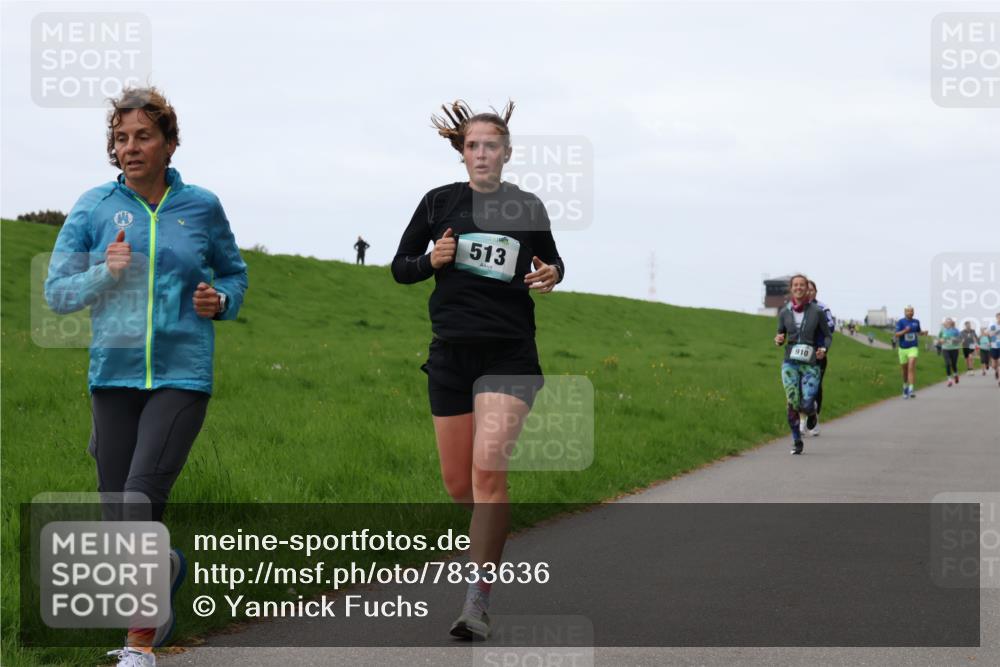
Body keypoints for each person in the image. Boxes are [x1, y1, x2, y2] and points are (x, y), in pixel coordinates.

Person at [44, 87, 248, 667]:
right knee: (118, 520)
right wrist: (101, 276)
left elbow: (234, 272)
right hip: (114, 374)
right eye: (121, 138)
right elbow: (56, 292)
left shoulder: (202, 206)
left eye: (143, 136)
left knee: (139, 500)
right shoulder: (93, 207)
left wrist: (221, 300)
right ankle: (168, 570)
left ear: (169, 144)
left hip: (182, 373)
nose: (130, 148)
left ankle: (138, 646)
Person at [391, 99, 564, 639]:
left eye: (492, 145)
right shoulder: (438, 202)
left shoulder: (527, 207)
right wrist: (431, 262)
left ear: (507, 153)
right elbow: (401, 268)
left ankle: (477, 600)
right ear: (462, 153)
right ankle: (492, 532)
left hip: (509, 354)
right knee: (458, 486)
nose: (482, 153)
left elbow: (552, 262)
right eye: (473, 145)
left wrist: (552, 272)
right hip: (450, 355)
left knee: (489, 470)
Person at [775, 275, 831, 455]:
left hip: (810, 364)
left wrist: (823, 348)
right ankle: (796, 441)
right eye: (795, 285)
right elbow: (780, 334)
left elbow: (827, 335)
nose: (799, 288)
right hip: (790, 362)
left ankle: (812, 413)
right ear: (791, 289)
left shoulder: (817, 311)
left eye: (802, 285)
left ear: (807, 289)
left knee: (806, 403)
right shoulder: (784, 312)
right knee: (792, 401)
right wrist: (778, 339)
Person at [804, 280, 834, 436]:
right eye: (805, 289)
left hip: (818, 351)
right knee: (800, 385)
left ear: (816, 292)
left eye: (811, 290)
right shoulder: (796, 308)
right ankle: (803, 419)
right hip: (801, 352)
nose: (808, 292)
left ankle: (814, 419)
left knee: (815, 385)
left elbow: (830, 326)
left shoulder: (822, 308)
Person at [893, 306, 926, 399]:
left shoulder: (916, 322)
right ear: (905, 312)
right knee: (904, 370)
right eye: (908, 311)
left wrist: (923, 333)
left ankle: (911, 389)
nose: (910, 313)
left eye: (912, 311)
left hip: (913, 347)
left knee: (911, 366)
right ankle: (905, 386)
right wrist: (905, 331)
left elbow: (919, 332)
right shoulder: (901, 322)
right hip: (903, 349)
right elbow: (896, 334)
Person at [937, 318, 961, 386]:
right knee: (948, 364)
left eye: (949, 322)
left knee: (953, 364)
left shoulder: (955, 330)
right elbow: (939, 338)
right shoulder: (942, 330)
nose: (947, 323)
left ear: (951, 323)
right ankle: (949, 380)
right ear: (945, 323)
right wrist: (940, 340)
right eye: (946, 322)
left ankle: (956, 375)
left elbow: (960, 339)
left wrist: (954, 340)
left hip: (954, 349)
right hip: (945, 349)